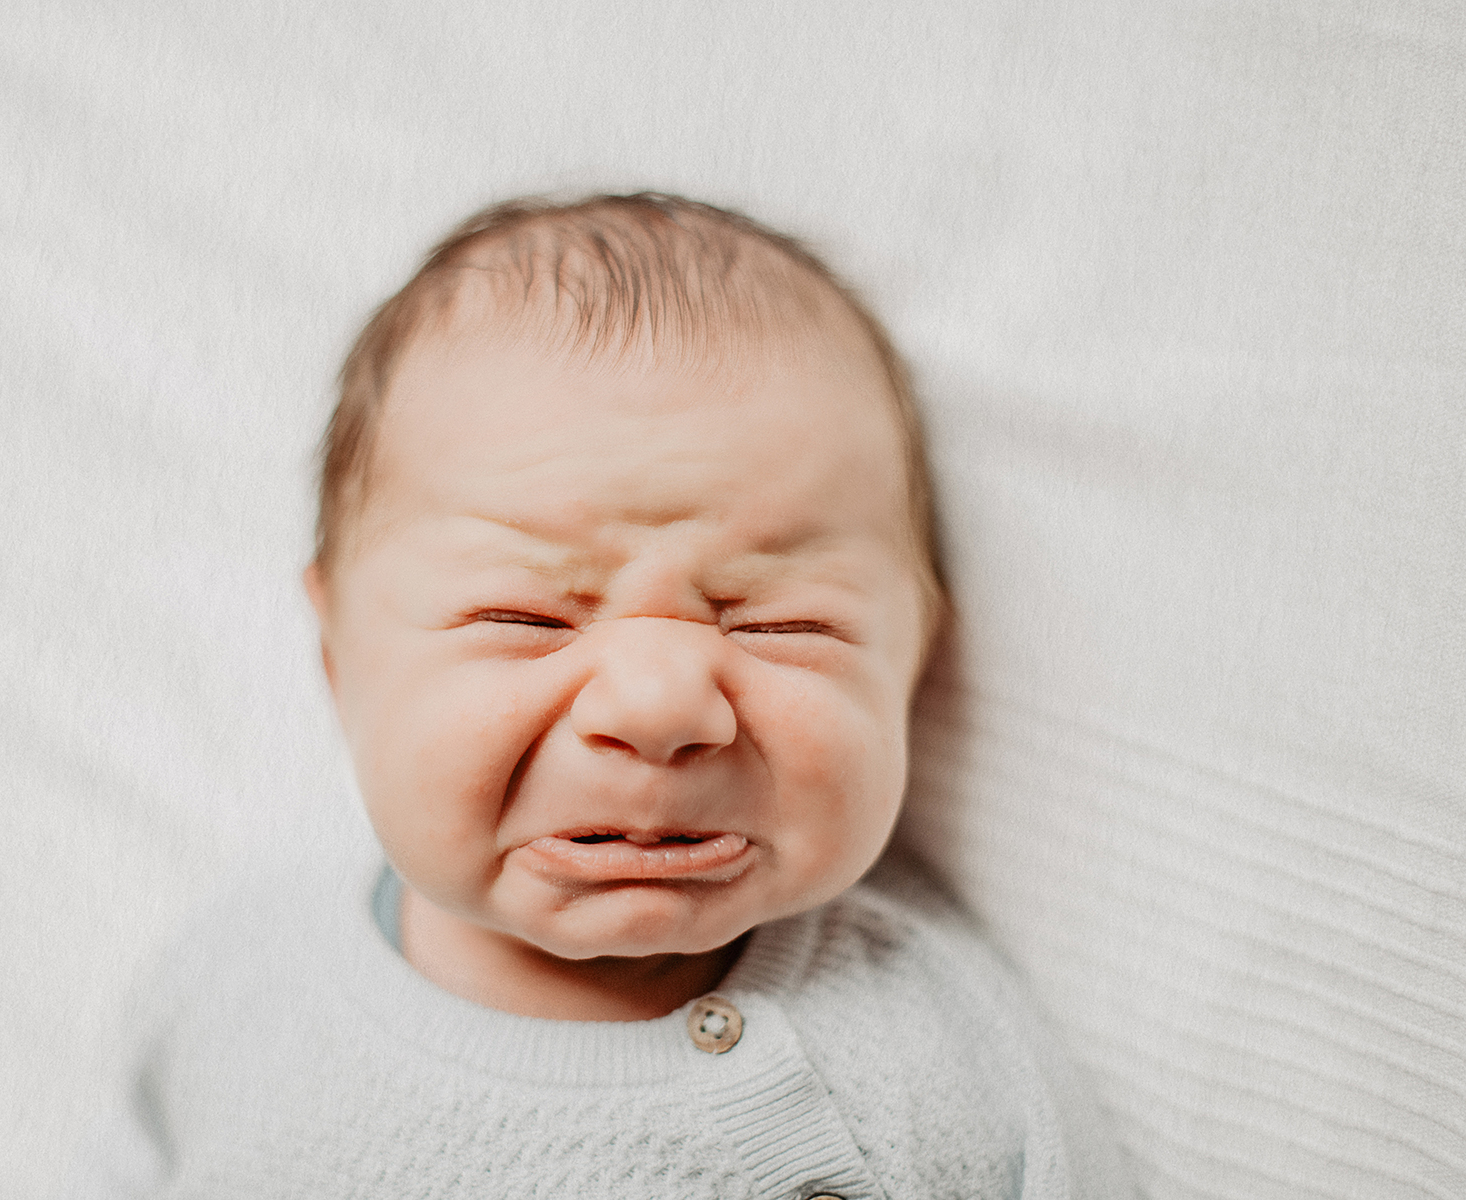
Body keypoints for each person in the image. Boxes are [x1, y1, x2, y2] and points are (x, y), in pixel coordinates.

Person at [99, 193, 1132, 1198]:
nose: (659, 708)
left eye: (782, 626)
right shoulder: (241, 989)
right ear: (338, 657)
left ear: (911, 665)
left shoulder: (944, 1057)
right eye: (525, 619)